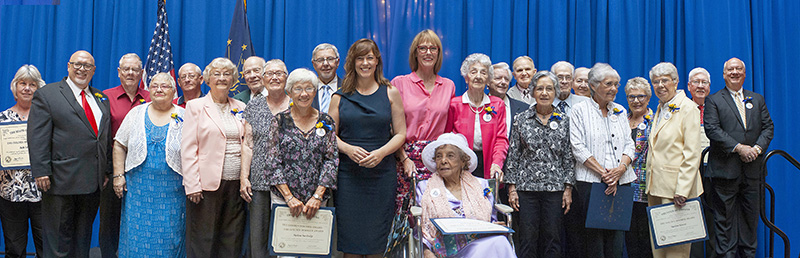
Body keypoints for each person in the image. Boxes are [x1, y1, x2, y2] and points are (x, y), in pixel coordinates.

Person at [28, 50, 111, 257]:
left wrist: (107, 169)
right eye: (78, 64)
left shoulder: (101, 98)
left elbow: (103, 137)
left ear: (93, 71)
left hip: (92, 183)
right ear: (68, 66)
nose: (82, 69)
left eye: (87, 66)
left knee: (82, 241)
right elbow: (37, 136)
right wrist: (40, 171)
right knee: (58, 242)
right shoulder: (48, 94)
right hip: (59, 181)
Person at [329, 38, 407, 257]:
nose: (365, 63)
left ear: (377, 61)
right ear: (352, 62)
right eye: (360, 58)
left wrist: (381, 152)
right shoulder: (339, 96)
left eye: (369, 58)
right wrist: (347, 149)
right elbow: (328, 135)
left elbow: (401, 133)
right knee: (351, 240)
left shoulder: (390, 92)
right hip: (349, 177)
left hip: (381, 175)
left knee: (377, 241)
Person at [387, 29, 455, 255]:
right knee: (405, 215)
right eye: (422, 48)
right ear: (415, 53)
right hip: (404, 157)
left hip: (437, 159)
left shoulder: (449, 85)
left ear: (439, 53)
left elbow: (448, 129)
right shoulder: (400, 83)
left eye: (433, 48)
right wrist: (404, 158)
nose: (428, 52)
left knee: (434, 213)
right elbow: (392, 127)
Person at [704, 57, 774, 258]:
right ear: (724, 74)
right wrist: (739, 148)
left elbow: (768, 127)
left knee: (750, 221)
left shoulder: (757, 99)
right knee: (724, 223)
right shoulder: (714, 100)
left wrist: (757, 149)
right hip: (725, 172)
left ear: (744, 73)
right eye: (730, 69)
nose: (735, 72)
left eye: (739, 69)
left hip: (753, 172)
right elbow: (712, 130)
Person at [566, 63, 636, 258]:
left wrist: (620, 170)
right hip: (591, 182)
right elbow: (578, 148)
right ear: (594, 85)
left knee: (616, 238)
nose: (614, 89)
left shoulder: (620, 110)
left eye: (616, 84)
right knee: (593, 239)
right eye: (608, 84)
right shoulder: (579, 110)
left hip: (622, 181)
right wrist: (606, 174)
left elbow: (630, 145)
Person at [112, 72, 186, 257]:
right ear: (149, 89)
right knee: (137, 237)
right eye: (154, 86)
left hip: (173, 192)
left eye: (164, 86)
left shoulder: (184, 115)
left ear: (173, 90)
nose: (159, 89)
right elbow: (119, 144)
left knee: (170, 236)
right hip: (138, 190)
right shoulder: (136, 113)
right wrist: (118, 176)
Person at [181, 57, 247, 258]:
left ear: (233, 79)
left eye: (227, 74)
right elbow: (188, 148)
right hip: (206, 186)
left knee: (232, 238)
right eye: (216, 74)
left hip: (236, 184)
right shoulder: (195, 106)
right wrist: (192, 184)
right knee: (203, 240)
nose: (222, 78)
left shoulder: (241, 107)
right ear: (207, 80)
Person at [505, 71, 574, 258]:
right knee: (527, 238)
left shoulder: (564, 120)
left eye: (549, 89)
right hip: (526, 189)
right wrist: (512, 188)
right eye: (540, 88)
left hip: (555, 188)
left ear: (555, 92)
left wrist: (568, 188)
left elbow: (568, 156)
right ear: (533, 92)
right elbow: (513, 155)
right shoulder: (521, 119)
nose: (544, 93)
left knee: (553, 238)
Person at [417, 133, 516, 258]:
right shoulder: (425, 188)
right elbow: (420, 227)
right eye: (438, 156)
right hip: (445, 251)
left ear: (463, 161)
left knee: (500, 242)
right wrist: (426, 251)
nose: (443, 161)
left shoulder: (481, 185)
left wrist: (494, 227)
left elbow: (491, 221)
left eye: (450, 156)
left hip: (477, 245)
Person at [645, 62, 704, 257]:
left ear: (676, 82)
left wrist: (683, 189)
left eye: (665, 81)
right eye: (656, 82)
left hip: (677, 191)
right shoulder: (661, 108)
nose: (660, 85)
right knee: (659, 248)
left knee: (676, 251)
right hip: (656, 187)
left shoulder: (688, 108)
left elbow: (692, 152)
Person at [264, 68, 338, 219]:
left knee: (314, 243)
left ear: (315, 91)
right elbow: (272, 162)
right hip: (283, 199)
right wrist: (289, 197)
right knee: (282, 243)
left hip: (317, 201)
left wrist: (317, 196)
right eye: (298, 89)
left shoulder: (326, 121)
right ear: (289, 93)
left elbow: (331, 160)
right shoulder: (279, 121)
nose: (304, 94)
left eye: (309, 88)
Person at [100, 53, 150, 258]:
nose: (130, 73)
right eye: (126, 69)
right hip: (112, 167)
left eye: (135, 69)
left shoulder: (150, 97)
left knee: (140, 216)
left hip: (144, 166)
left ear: (141, 73)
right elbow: (100, 136)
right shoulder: (104, 97)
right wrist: (104, 171)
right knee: (110, 220)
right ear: (119, 72)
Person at [237, 59, 288, 258]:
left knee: (285, 239)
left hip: (290, 182)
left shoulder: (296, 103)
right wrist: (244, 178)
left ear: (286, 77)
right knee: (258, 239)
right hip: (258, 181)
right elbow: (248, 144)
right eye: (270, 74)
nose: (274, 77)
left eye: (279, 73)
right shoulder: (254, 105)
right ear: (264, 79)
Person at [0, 65, 45, 258]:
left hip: (42, 191)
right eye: (22, 83)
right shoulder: (2, 119)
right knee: (14, 249)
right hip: (10, 193)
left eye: (32, 84)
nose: (27, 88)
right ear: (15, 87)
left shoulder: (46, 118)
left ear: (38, 88)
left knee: (46, 247)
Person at [445, 53, 508, 180]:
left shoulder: (497, 104)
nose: (478, 76)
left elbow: (501, 139)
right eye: (473, 72)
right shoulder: (454, 104)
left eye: (483, 73)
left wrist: (497, 164)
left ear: (488, 79)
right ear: (466, 78)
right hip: (461, 165)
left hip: (489, 164)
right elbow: (447, 138)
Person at [623, 77, 654, 258]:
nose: (636, 101)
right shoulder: (620, 120)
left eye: (640, 96)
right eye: (631, 97)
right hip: (624, 187)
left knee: (646, 238)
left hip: (647, 188)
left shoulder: (656, 120)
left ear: (648, 97)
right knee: (629, 238)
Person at [686, 67, 716, 258]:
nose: (700, 86)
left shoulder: (719, 107)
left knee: (714, 221)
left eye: (704, 82)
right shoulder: (681, 109)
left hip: (714, 172)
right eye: (696, 82)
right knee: (691, 223)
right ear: (689, 86)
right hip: (689, 173)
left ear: (709, 86)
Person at [488, 62, 528, 137]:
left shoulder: (524, 109)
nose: (503, 82)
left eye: (506, 79)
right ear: (488, 82)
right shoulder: (480, 105)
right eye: (498, 78)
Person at [311, 43, 343, 113]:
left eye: (330, 59)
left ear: (337, 62)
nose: (325, 64)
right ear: (314, 64)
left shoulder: (348, 88)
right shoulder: (308, 90)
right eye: (320, 60)